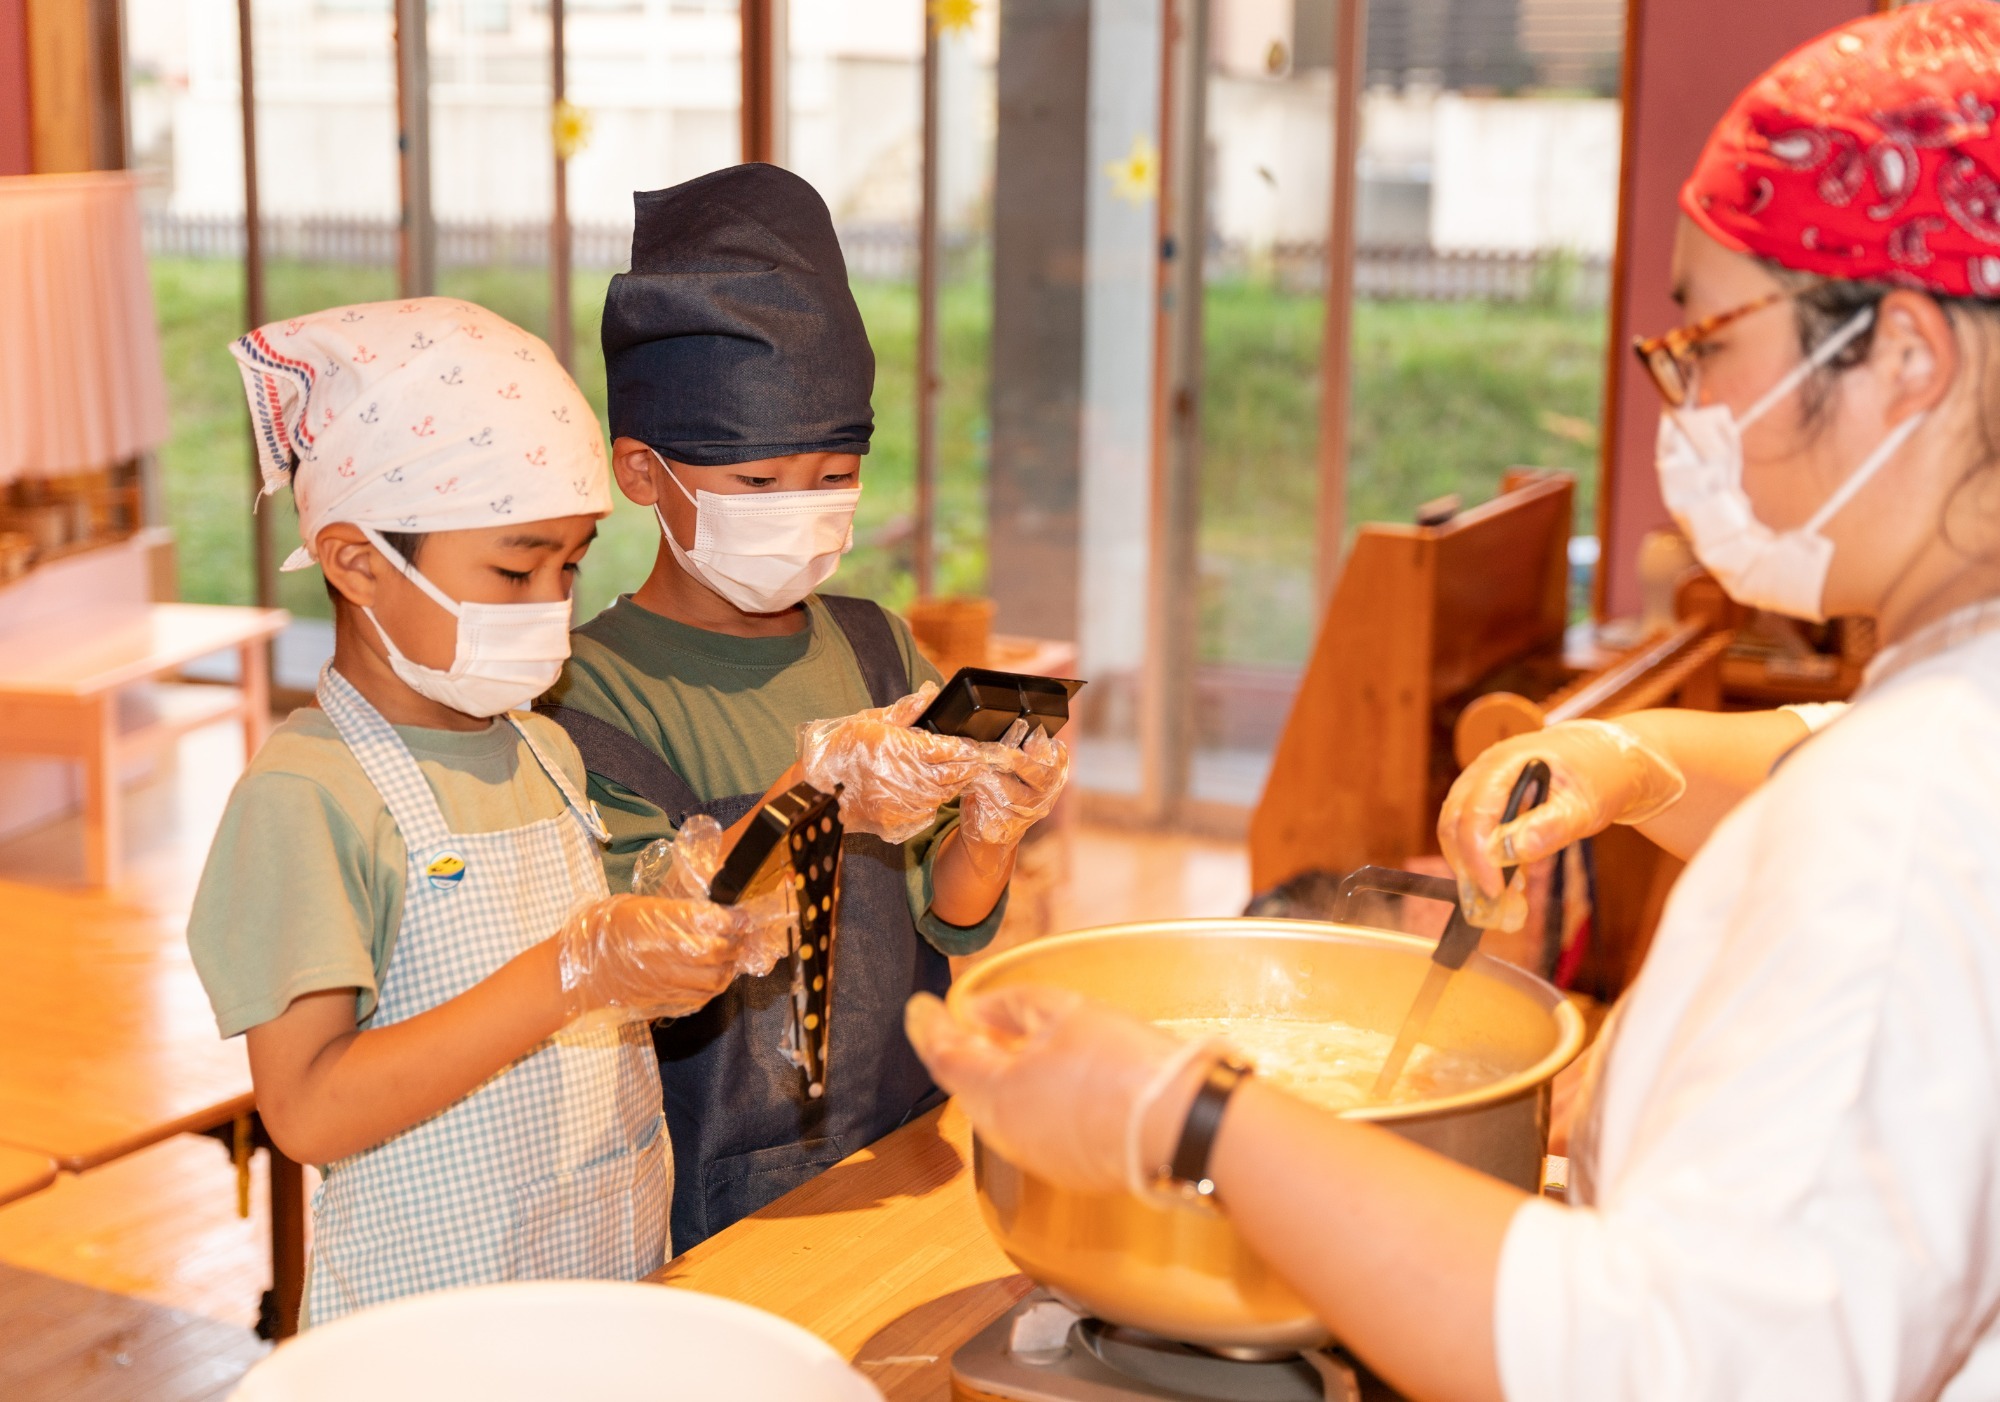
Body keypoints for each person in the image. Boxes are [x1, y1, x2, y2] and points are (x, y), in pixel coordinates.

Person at [905, 4, 2000, 1398]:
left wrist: (1186, 1112)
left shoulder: (1911, 821)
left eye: (1707, 338)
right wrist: (1632, 758)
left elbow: (1687, 1361)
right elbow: (1817, 754)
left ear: (1906, 356)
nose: (1680, 394)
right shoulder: (1945, 717)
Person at [187, 298, 785, 1326]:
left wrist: (789, 821)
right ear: (356, 560)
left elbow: (582, 947)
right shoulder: (307, 796)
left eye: (567, 562)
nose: (551, 602)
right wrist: (569, 973)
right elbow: (308, 1108)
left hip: (604, 1283)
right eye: (514, 567)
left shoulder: (538, 745)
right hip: (436, 1333)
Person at [540, 163, 1069, 1249]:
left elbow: (949, 914)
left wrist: (990, 827)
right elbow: (651, 957)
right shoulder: (584, 696)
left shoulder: (876, 646)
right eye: (758, 484)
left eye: (834, 475)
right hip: (716, 1192)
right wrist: (814, 794)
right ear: (642, 473)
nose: (805, 512)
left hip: (909, 1140)